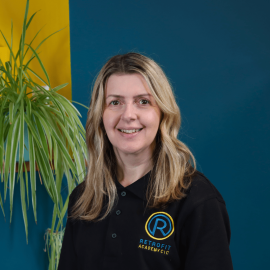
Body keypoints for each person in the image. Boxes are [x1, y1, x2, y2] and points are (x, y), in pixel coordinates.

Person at [58, 52, 233, 270]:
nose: (128, 114)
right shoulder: (84, 199)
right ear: (100, 115)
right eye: (115, 102)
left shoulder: (197, 200)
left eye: (143, 102)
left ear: (162, 113)